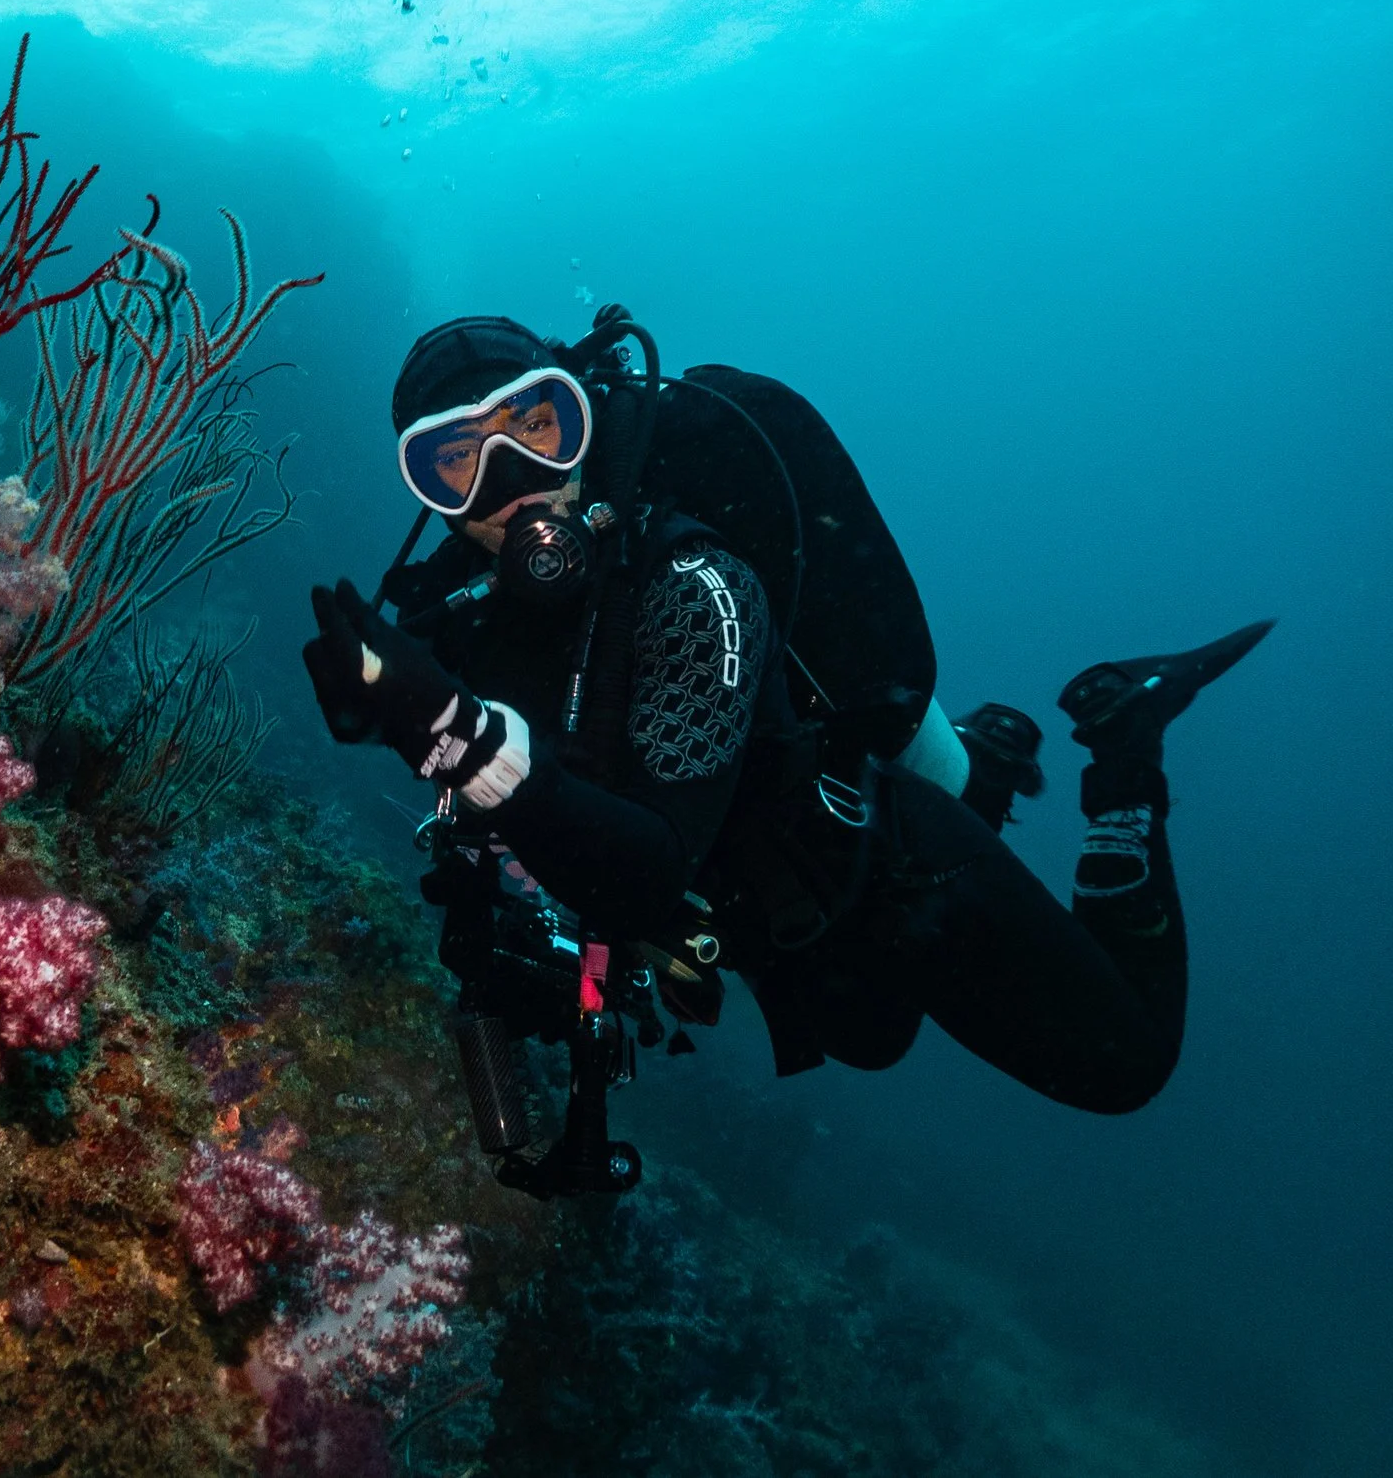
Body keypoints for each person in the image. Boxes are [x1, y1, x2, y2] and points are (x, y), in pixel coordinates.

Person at [302, 313, 1269, 1115]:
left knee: (1123, 1066)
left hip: (886, 867)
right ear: (428, 494)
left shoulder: (695, 579)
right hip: (769, 914)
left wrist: (456, 737)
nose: (511, 481)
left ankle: (1125, 744)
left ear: (583, 418)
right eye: (457, 460)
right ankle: (983, 750)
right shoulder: (466, 626)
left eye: (536, 426)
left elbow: (647, 866)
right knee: (868, 1036)